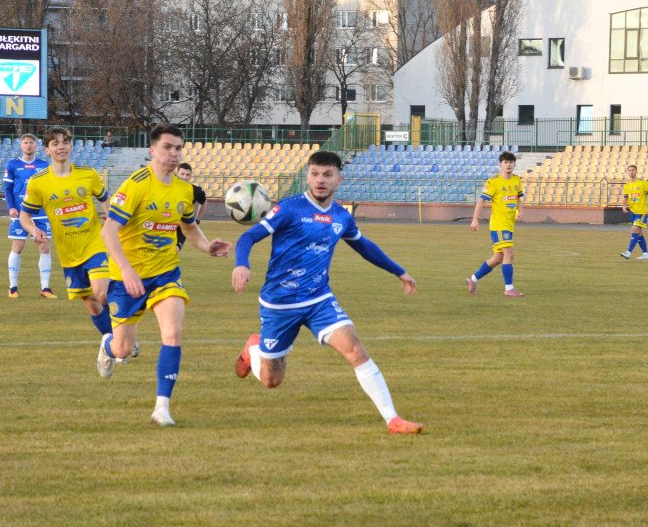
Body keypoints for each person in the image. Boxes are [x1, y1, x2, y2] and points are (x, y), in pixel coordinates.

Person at [231, 150, 423, 435]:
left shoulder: (341, 216)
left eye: (327, 175)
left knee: (356, 350)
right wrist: (242, 264)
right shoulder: (289, 208)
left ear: (338, 179)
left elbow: (364, 246)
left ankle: (393, 420)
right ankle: (253, 350)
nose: (320, 180)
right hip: (279, 304)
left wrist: (399, 271)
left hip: (319, 300)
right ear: (308, 176)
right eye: (315, 174)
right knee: (272, 381)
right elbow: (249, 236)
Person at [97, 124, 232, 427]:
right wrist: (127, 270)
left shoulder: (185, 190)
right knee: (124, 349)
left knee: (172, 331)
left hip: (165, 273)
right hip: (127, 278)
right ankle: (107, 345)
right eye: (168, 147)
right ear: (153, 151)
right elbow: (109, 231)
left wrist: (207, 246)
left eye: (178, 148)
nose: (174, 154)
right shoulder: (136, 185)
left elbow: (188, 228)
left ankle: (162, 407)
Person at [18, 127, 116, 340]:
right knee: (91, 302)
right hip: (68, 252)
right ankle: (112, 342)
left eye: (65, 142)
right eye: (55, 143)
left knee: (102, 292)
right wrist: (34, 230)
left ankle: (121, 337)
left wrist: (112, 219)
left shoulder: (88, 174)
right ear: (47, 150)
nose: (61, 146)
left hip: (94, 244)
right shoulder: (39, 182)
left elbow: (106, 200)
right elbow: (24, 216)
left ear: (71, 146)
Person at [466, 151, 524, 297]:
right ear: (501, 165)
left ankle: (472, 279)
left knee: (498, 258)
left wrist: (520, 210)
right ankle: (509, 289)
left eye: (511, 162)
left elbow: (518, 197)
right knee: (509, 254)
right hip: (499, 224)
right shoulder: (494, 182)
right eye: (505, 162)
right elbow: (481, 200)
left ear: (514, 164)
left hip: (509, 224)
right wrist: (475, 219)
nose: (508, 165)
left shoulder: (516, 180)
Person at [4, 133, 54, 298]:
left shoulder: (44, 165)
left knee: (44, 246)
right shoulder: (13, 165)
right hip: (20, 212)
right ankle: (13, 287)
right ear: (21, 146)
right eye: (25, 142)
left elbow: (49, 188)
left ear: (36, 146)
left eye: (31, 143)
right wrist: (11, 207)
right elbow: (8, 189)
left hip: (41, 212)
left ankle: (45, 288)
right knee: (18, 247)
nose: (29, 145)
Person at [620, 164, 648, 260]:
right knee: (639, 233)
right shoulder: (627, 186)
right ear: (627, 172)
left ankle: (628, 252)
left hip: (641, 212)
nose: (631, 172)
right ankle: (646, 254)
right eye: (629, 170)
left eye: (633, 170)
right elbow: (625, 198)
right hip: (632, 212)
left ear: (636, 171)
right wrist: (624, 206)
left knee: (634, 229)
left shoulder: (643, 183)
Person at [174, 162, 207, 252]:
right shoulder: (169, 187)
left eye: (188, 175)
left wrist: (197, 219)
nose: (185, 177)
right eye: (182, 174)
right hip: (167, 224)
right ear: (177, 174)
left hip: (182, 226)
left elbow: (203, 202)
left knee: (174, 252)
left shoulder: (195, 191)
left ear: (191, 176)